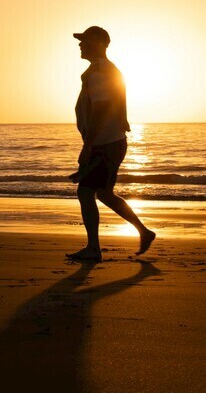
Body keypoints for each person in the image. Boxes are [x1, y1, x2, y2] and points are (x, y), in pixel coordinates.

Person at [67, 26, 156, 262]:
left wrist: (88, 147)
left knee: (85, 192)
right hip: (111, 141)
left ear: (98, 43)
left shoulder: (100, 73)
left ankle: (93, 249)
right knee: (104, 194)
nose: (80, 45)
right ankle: (144, 232)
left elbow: (100, 110)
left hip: (104, 143)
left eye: (85, 41)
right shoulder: (107, 70)